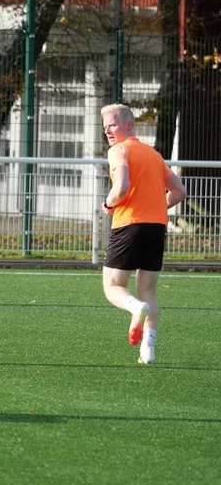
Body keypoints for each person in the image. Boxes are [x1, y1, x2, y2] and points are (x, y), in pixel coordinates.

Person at [100, 103, 187, 364]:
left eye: (112, 125)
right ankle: (148, 350)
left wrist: (107, 203)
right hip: (156, 227)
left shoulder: (119, 150)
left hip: (129, 224)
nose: (107, 131)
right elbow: (180, 192)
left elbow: (122, 187)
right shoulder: (153, 154)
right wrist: (160, 206)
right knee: (148, 291)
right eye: (104, 127)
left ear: (128, 125)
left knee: (113, 287)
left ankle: (134, 307)